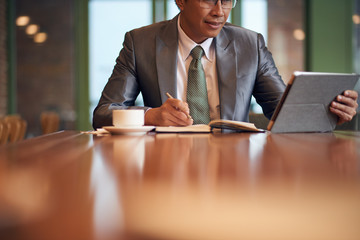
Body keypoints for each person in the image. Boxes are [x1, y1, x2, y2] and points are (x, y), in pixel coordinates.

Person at [93, 0, 358, 129]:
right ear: (181, 1)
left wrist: (327, 110)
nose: (220, 11)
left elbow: (283, 109)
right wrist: (150, 116)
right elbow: (104, 113)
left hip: (233, 165)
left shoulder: (250, 44)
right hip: (163, 163)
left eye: (228, 0)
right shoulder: (140, 42)